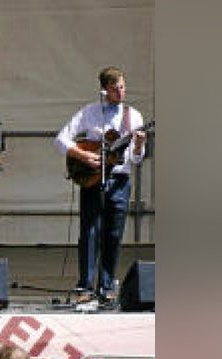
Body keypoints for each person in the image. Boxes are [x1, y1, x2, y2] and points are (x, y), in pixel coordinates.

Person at [54, 66, 147, 305]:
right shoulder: (90, 112)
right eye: (115, 88)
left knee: (113, 234)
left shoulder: (133, 116)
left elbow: (136, 159)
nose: (121, 92)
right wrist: (84, 156)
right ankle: (85, 285)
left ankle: (107, 285)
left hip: (120, 180)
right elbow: (61, 138)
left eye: (123, 87)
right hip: (93, 178)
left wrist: (137, 146)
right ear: (104, 90)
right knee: (89, 232)